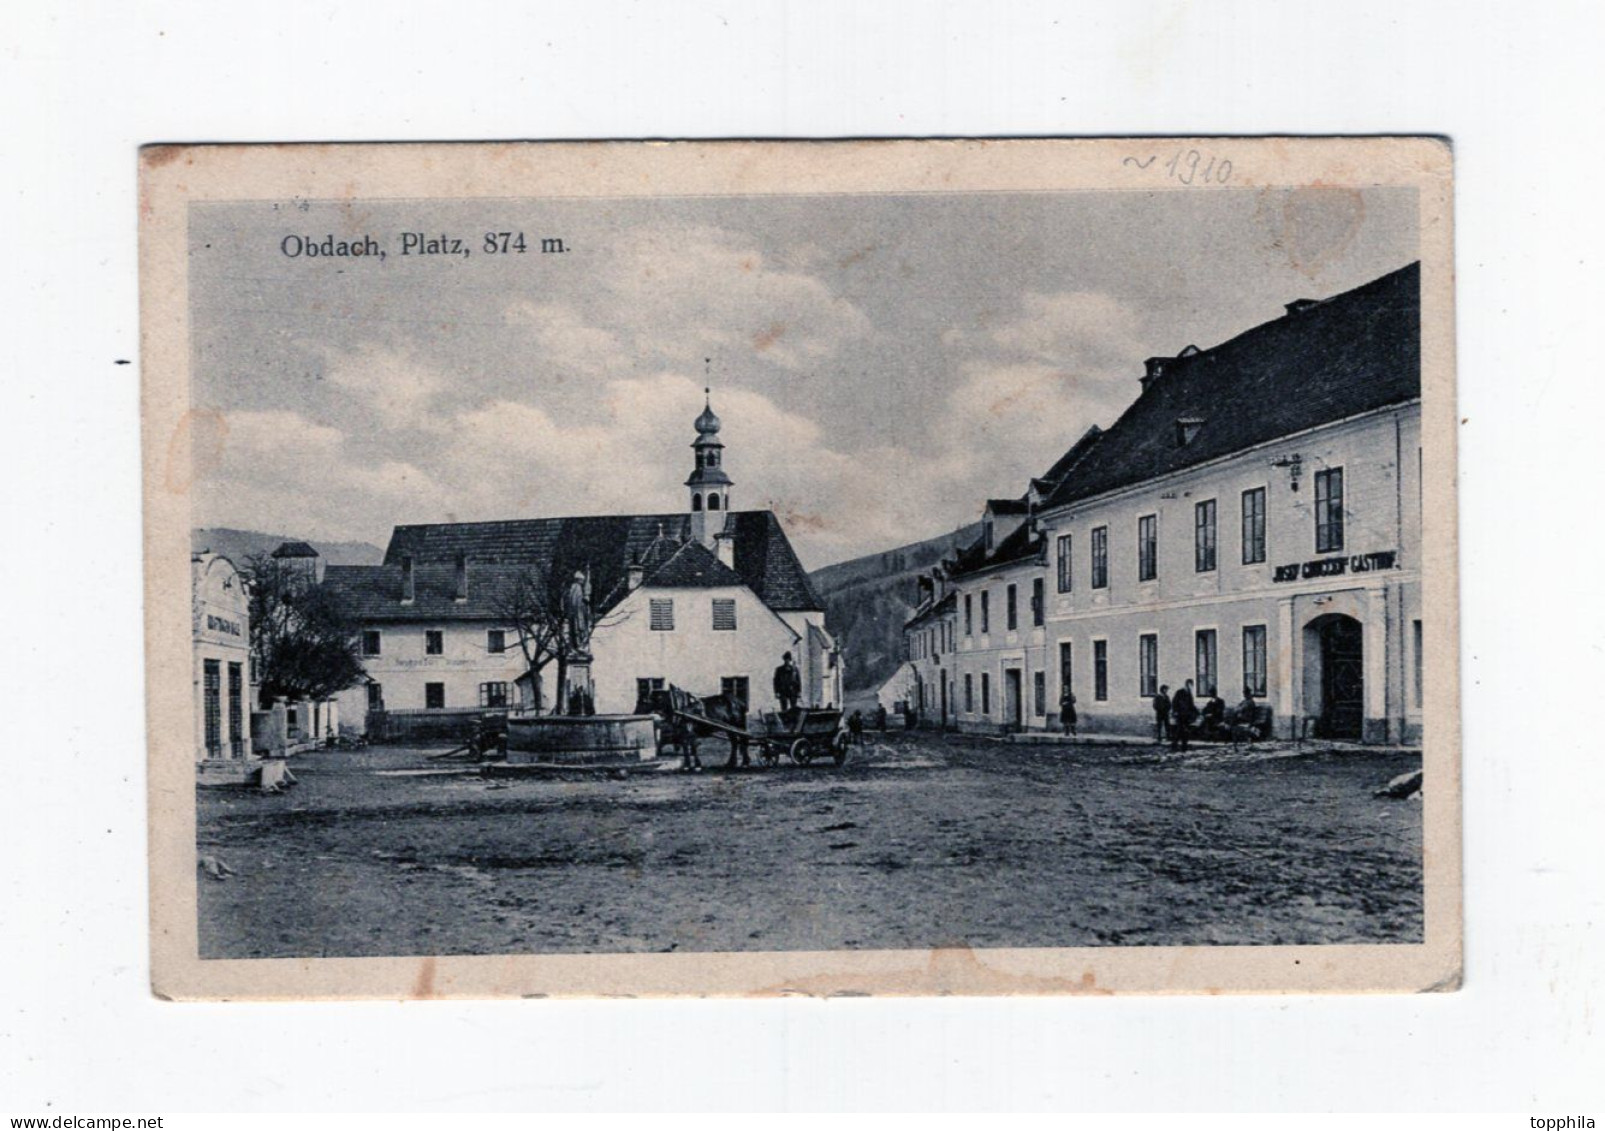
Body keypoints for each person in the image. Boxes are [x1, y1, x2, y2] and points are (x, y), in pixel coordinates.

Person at [1171, 679, 1197, 751]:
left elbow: (1191, 705)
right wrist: (1175, 711)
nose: (1191, 687)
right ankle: (1174, 745)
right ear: (1187, 685)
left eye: (1192, 685)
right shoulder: (1179, 692)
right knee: (1179, 730)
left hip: (1187, 715)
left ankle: (1184, 746)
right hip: (1180, 715)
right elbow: (1174, 702)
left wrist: (1195, 712)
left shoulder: (1189, 694)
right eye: (1190, 685)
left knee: (1185, 731)